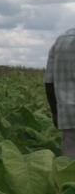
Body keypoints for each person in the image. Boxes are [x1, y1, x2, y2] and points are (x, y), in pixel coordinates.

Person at [45, 28, 75, 159]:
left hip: (67, 113)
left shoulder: (61, 40)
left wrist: (55, 112)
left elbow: (49, 81)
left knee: (69, 167)